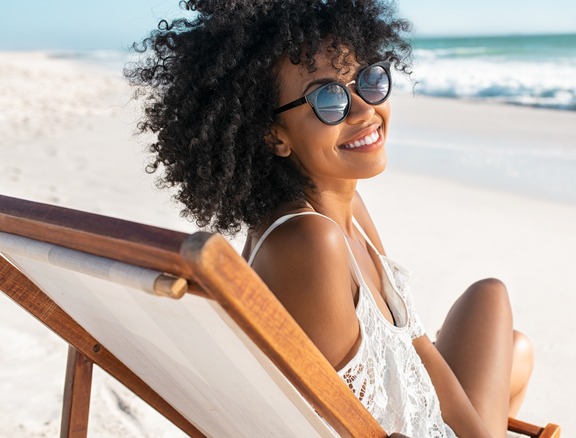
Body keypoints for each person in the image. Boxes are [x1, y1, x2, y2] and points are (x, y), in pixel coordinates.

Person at [126, 1, 533, 436]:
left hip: (414, 410)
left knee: (501, 319)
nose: (363, 110)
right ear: (274, 135)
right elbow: (343, 425)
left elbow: (416, 345)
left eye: (368, 80)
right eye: (328, 98)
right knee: (509, 344)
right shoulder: (309, 241)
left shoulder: (346, 207)